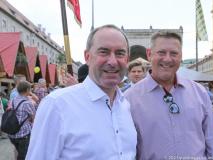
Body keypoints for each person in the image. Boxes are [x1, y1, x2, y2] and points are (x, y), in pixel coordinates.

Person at [26, 24, 137, 160]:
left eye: (120, 53)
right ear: (87, 56)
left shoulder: (125, 105)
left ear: (127, 59)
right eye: (104, 52)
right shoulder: (57, 105)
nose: (113, 61)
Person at [124, 32, 213, 159]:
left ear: (181, 57)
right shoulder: (129, 99)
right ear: (149, 54)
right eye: (161, 52)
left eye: (174, 53)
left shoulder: (200, 92)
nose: (167, 59)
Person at [8, 81, 36, 160]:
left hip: (12, 134)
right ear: (27, 90)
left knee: (19, 153)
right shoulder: (27, 103)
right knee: (24, 155)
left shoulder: (13, 100)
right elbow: (34, 118)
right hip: (23, 135)